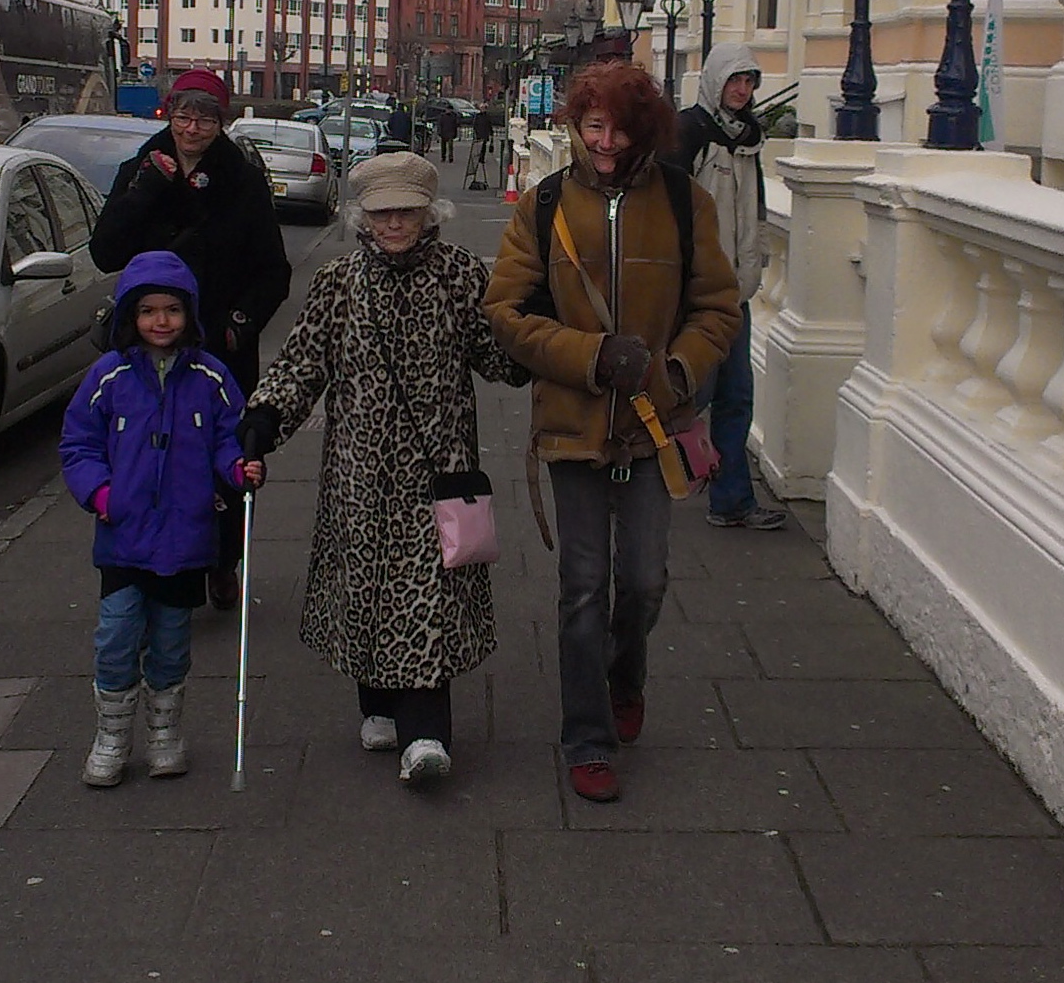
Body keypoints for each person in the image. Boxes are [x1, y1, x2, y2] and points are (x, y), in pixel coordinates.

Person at [484, 62, 741, 804]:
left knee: (645, 582)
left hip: (655, 427)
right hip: (573, 427)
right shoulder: (545, 205)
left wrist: (678, 372)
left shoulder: (686, 204)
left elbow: (718, 308)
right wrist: (592, 356)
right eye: (593, 126)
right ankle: (587, 737)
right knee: (583, 587)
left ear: (645, 132)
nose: (604, 142)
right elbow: (506, 313)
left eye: (620, 130)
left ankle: (626, 676)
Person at [237, 151, 529, 787]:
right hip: (359, 474)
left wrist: (536, 334)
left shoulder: (459, 274)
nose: (394, 223)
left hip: (438, 473)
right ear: (362, 217)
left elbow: (498, 358)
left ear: (430, 213)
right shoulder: (338, 282)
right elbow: (301, 365)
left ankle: (426, 734)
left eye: (407, 212)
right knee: (365, 587)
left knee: (428, 595)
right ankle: (376, 703)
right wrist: (263, 419)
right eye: (382, 213)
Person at [88, 67, 291, 610]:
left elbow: (273, 270)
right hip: (148, 345)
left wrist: (238, 324)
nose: (192, 128)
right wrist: (147, 191)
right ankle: (147, 565)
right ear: (169, 114)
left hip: (218, 349)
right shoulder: (142, 170)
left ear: (221, 123)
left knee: (225, 459)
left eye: (205, 119)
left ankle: (223, 561)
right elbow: (105, 251)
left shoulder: (242, 180)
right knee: (143, 456)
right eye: (183, 115)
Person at [60, 251, 264, 787]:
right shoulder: (108, 376)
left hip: (184, 538)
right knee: (116, 635)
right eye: (148, 310)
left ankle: (165, 733)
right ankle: (110, 736)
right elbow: (79, 443)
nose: (161, 321)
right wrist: (102, 496)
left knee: (172, 642)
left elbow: (228, 437)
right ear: (130, 315)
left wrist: (238, 469)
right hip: (124, 537)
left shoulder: (210, 377)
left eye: (172, 309)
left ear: (189, 314)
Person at [672, 43, 786, 531]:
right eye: (734, 79)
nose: (741, 89)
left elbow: (752, 212)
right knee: (689, 392)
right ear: (716, 81)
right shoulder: (690, 133)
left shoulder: (749, 139)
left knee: (736, 396)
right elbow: (670, 210)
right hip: (697, 293)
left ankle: (732, 499)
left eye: (749, 81)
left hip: (735, 293)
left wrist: (754, 265)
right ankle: (635, 476)